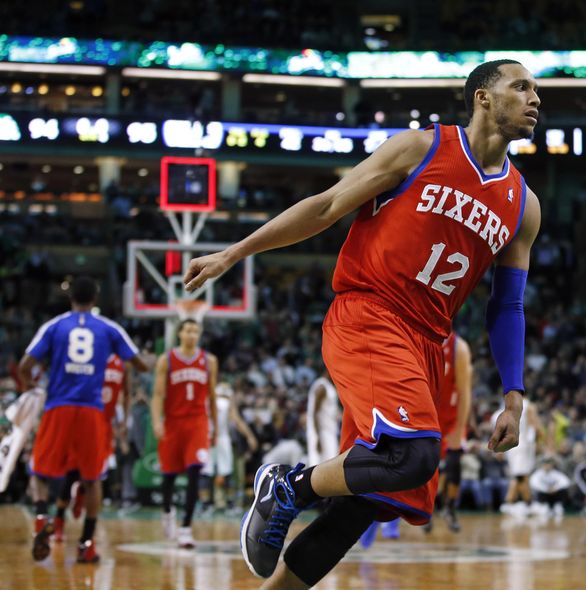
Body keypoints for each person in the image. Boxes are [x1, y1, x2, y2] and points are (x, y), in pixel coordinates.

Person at [183, 58, 541, 588]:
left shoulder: (524, 206)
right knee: (416, 454)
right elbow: (327, 205)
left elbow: (507, 305)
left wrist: (514, 395)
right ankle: (289, 486)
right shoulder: (420, 148)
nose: (534, 99)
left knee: (363, 504)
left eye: (536, 91)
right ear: (483, 97)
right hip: (370, 314)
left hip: (426, 343)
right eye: (521, 87)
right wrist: (235, 253)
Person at [17, 276, 148, 563]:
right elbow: (140, 363)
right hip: (92, 410)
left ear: (70, 298)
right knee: (92, 480)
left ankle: (41, 518)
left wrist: (30, 388)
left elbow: (25, 365)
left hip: (58, 406)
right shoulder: (109, 328)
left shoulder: (54, 326)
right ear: (96, 298)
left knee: (39, 471)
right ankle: (87, 545)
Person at [151, 319, 218, 549]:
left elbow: (212, 397)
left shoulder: (209, 361)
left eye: (196, 331)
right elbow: (158, 394)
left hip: (198, 422)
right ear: (179, 333)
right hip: (173, 422)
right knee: (169, 475)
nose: (192, 334)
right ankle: (167, 510)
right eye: (188, 330)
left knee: (194, 471)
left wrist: (215, 426)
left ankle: (186, 528)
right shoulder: (166, 360)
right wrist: (156, 421)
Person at [53, 353, 130, 543]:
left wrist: (124, 421)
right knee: (71, 473)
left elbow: (126, 393)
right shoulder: (87, 358)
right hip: (82, 420)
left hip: (104, 425)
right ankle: (59, 519)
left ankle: (86, 522)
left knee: (95, 476)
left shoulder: (122, 364)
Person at [428, 331, 472, 532]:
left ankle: (450, 507)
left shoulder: (458, 348)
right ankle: (427, 508)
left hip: (452, 419)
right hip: (428, 416)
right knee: (427, 467)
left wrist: (460, 428)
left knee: (454, 463)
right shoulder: (421, 339)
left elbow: (465, 394)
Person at [203, 382, 258, 511]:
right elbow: (236, 420)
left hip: (209, 437)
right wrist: (250, 436)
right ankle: (227, 503)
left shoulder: (211, 398)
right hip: (220, 438)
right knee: (224, 472)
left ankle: (208, 503)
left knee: (209, 472)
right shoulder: (225, 402)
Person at [498, 396, 542, 517]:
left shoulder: (507, 405)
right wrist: (540, 441)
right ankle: (526, 504)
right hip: (523, 445)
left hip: (511, 445)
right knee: (521, 475)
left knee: (520, 475)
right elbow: (536, 427)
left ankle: (511, 503)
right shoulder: (529, 406)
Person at [305, 369, 339, 468]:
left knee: (330, 464)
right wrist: (317, 437)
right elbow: (314, 413)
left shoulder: (327, 385)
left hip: (328, 430)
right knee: (319, 464)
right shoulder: (321, 387)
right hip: (321, 431)